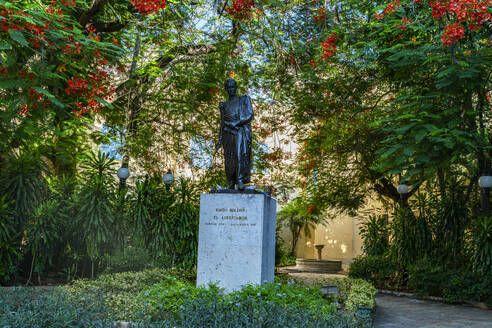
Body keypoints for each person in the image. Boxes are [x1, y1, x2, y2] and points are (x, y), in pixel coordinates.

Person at [215, 78, 254, 190]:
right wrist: (219, 139)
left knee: (239, 155)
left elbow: (250, 115)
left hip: (239, 131)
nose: (231, 89)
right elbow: (222, 123)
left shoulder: (244, 99)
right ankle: (231, 181)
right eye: (229, 88)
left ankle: (240, 179)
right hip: (227, 133)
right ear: (226, 89)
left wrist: (236, 123)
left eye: (233, 87)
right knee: (229, 158)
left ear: (236, 88)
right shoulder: (225, 105)